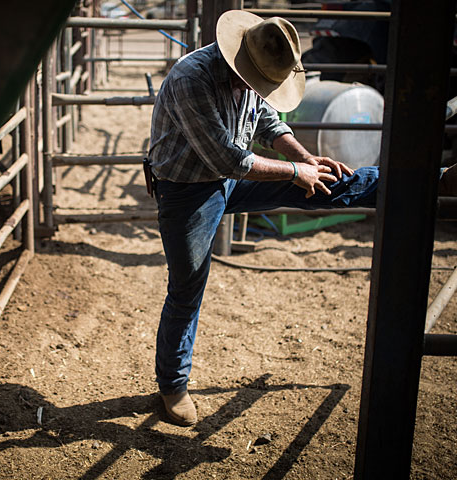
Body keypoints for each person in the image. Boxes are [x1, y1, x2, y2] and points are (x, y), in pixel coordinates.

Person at [147, 10, 455, 426]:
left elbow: (266, 121)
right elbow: (226, 157)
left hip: (233, 176)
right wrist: (295, 172)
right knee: (187, 288)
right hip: (188, 190)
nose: (261, 88)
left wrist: (306, 159)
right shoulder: (191, 78)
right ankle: (172, 384)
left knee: (328, 182)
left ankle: (431, 181)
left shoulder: (252, 68)